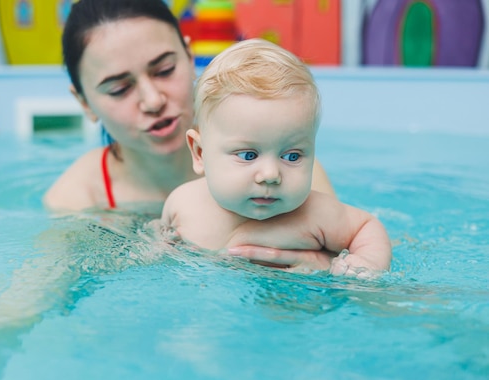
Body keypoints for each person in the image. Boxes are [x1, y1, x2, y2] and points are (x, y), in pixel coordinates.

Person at [43, 0, 337, 270]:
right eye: (120, 89)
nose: (153, 100)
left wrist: (327, 268)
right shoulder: (77, 200)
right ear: (84, 103)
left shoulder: (286, 172)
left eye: (165, 70)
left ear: (189, 55)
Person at [161, 39, 392, 277]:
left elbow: (367, 227)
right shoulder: (183, 203)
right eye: (249, 155)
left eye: (292, 156)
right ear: (200, 153)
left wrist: (366, 263)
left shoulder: (317, 214)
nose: (271, 175)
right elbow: (160, 242)